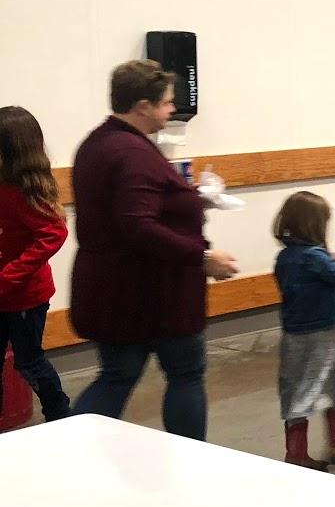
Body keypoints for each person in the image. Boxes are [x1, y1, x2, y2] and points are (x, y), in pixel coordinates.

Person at [72, 60, 238, 439]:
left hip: (115, 291)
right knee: (184, 375)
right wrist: (202, 258)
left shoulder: (98, 143)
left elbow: (136, 211)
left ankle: (70, 449)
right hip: (154, 294)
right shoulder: (133, 153)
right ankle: (191, 457)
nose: (170, 110)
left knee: (117, 376)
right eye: (165, 103)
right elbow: (138, 225)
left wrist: (192, 199)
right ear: (142, 106)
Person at [272, 191, 335, 468]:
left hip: (296, 335)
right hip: (322, 335)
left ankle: (313, 448)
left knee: (307, 388)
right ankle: (321, 447)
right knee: (325, 387)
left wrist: (331, 261)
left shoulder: (286, 257)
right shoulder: (315, 257)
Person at [0, 107, 71, 422]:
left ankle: (60, 413)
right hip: (2, 295)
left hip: (26, 297)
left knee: (28, 362)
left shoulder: (28, 191)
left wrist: (10, 275)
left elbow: (53, 234)